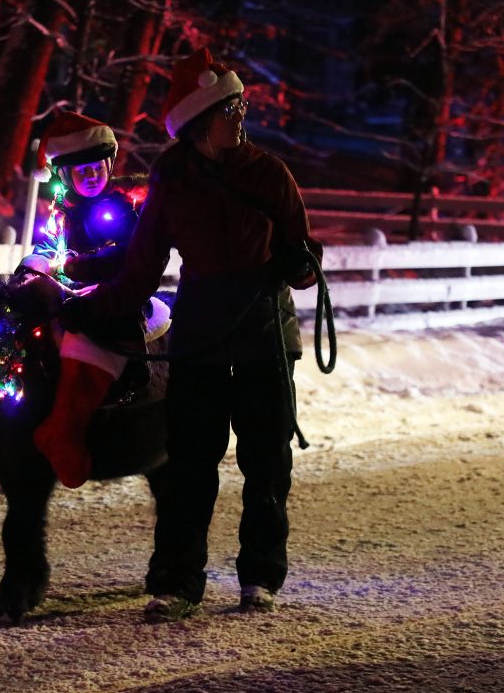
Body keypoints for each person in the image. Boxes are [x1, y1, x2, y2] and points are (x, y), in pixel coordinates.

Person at [60, 48, 321, 621]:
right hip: (201, 339)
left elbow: (302, 261)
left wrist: (303, 264)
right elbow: (139, 273)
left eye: (242, 105)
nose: (242, 116)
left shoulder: (270, 173)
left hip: (265, 337)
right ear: (201, 122)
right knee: (189, 467)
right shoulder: (172, 183)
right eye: (231, 108)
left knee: (266, 464)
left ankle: (260, 576)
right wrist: (85, 309)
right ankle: (177, 583)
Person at [20, 111, 145, 489]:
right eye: (81, 171)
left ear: (109, 166)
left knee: (84, 336)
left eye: (96, 169)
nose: (91, 176)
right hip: (68, 290)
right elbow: (49, 244)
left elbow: (126, 253)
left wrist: (78, 266)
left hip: (112, 294)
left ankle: (66, 429)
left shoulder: (120, 207)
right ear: (65, 176)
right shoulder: (62, 210)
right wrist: (35, 264)